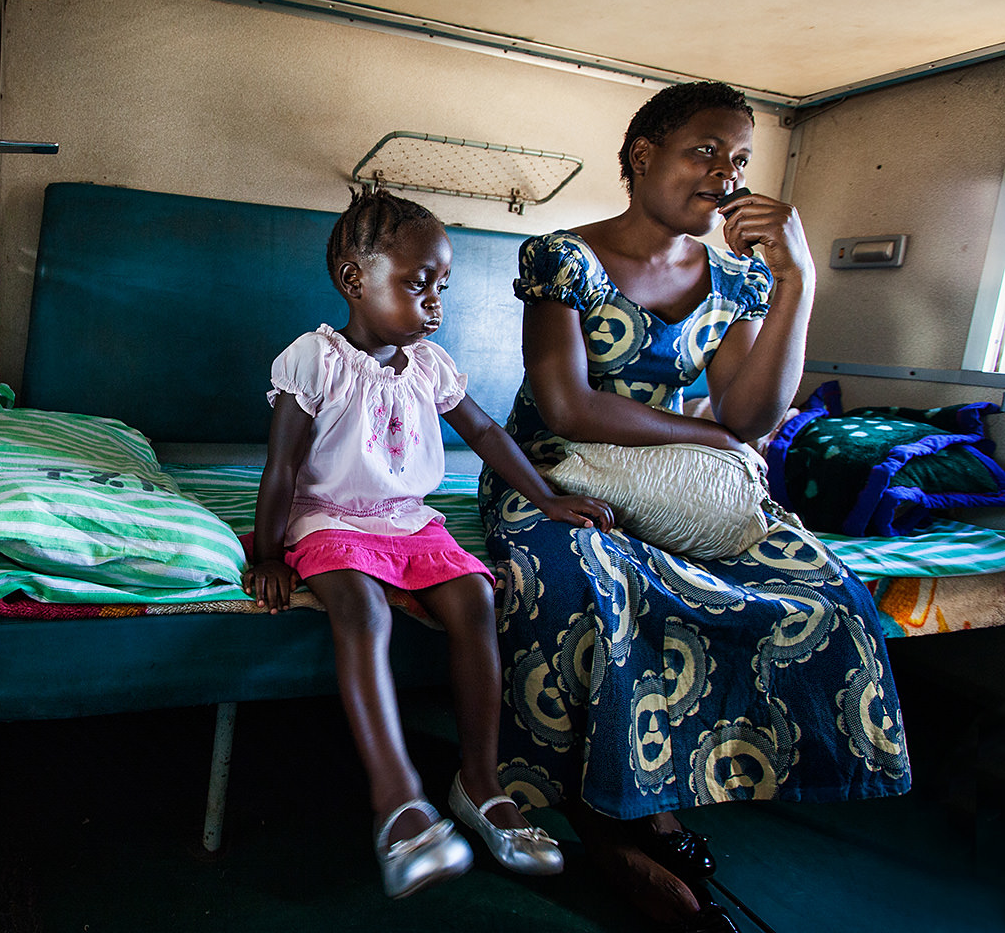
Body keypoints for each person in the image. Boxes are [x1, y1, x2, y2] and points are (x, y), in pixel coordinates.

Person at [478, 81, 911, 932]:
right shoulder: (563, 259)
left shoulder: (738, 281)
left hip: (678, 488)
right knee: (580, 578)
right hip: (555, 477)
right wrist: (705, 438)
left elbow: (751, 415)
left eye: (741, 159)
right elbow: (566, 407)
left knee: (828, 593)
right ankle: (606, 814)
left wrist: (799, 280)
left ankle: (658, 793)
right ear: (644, 157)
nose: (726, 174)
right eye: (704, 151)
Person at [242, 188, 614, 899]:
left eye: (442, 286)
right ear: (356, 281)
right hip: (329, 518)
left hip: (410, 521)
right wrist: (266, 552)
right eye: (419, 284)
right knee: (361, 610)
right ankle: (398, 802)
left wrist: (546, 498)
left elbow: (485, 434)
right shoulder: (312, 360)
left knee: (476, 596)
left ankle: (480, 782)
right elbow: (284, 465)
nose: (435, 303)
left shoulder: (433, 364)